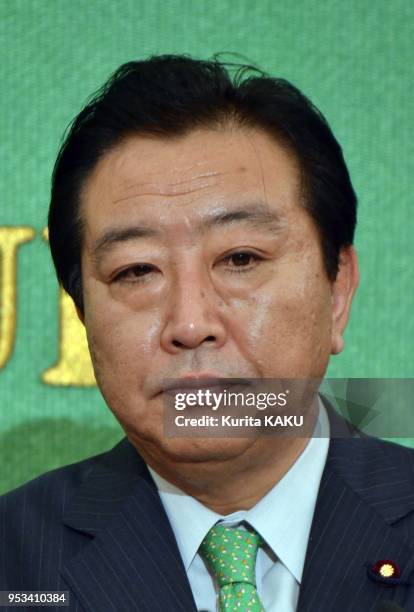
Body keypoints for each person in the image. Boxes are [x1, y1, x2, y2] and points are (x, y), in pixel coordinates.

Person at [0, 55, 413, 612]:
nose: (191, 324)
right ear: (82, 314)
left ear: (337, 292)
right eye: (136, 271)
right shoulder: (15, 563)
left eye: (240, 258)